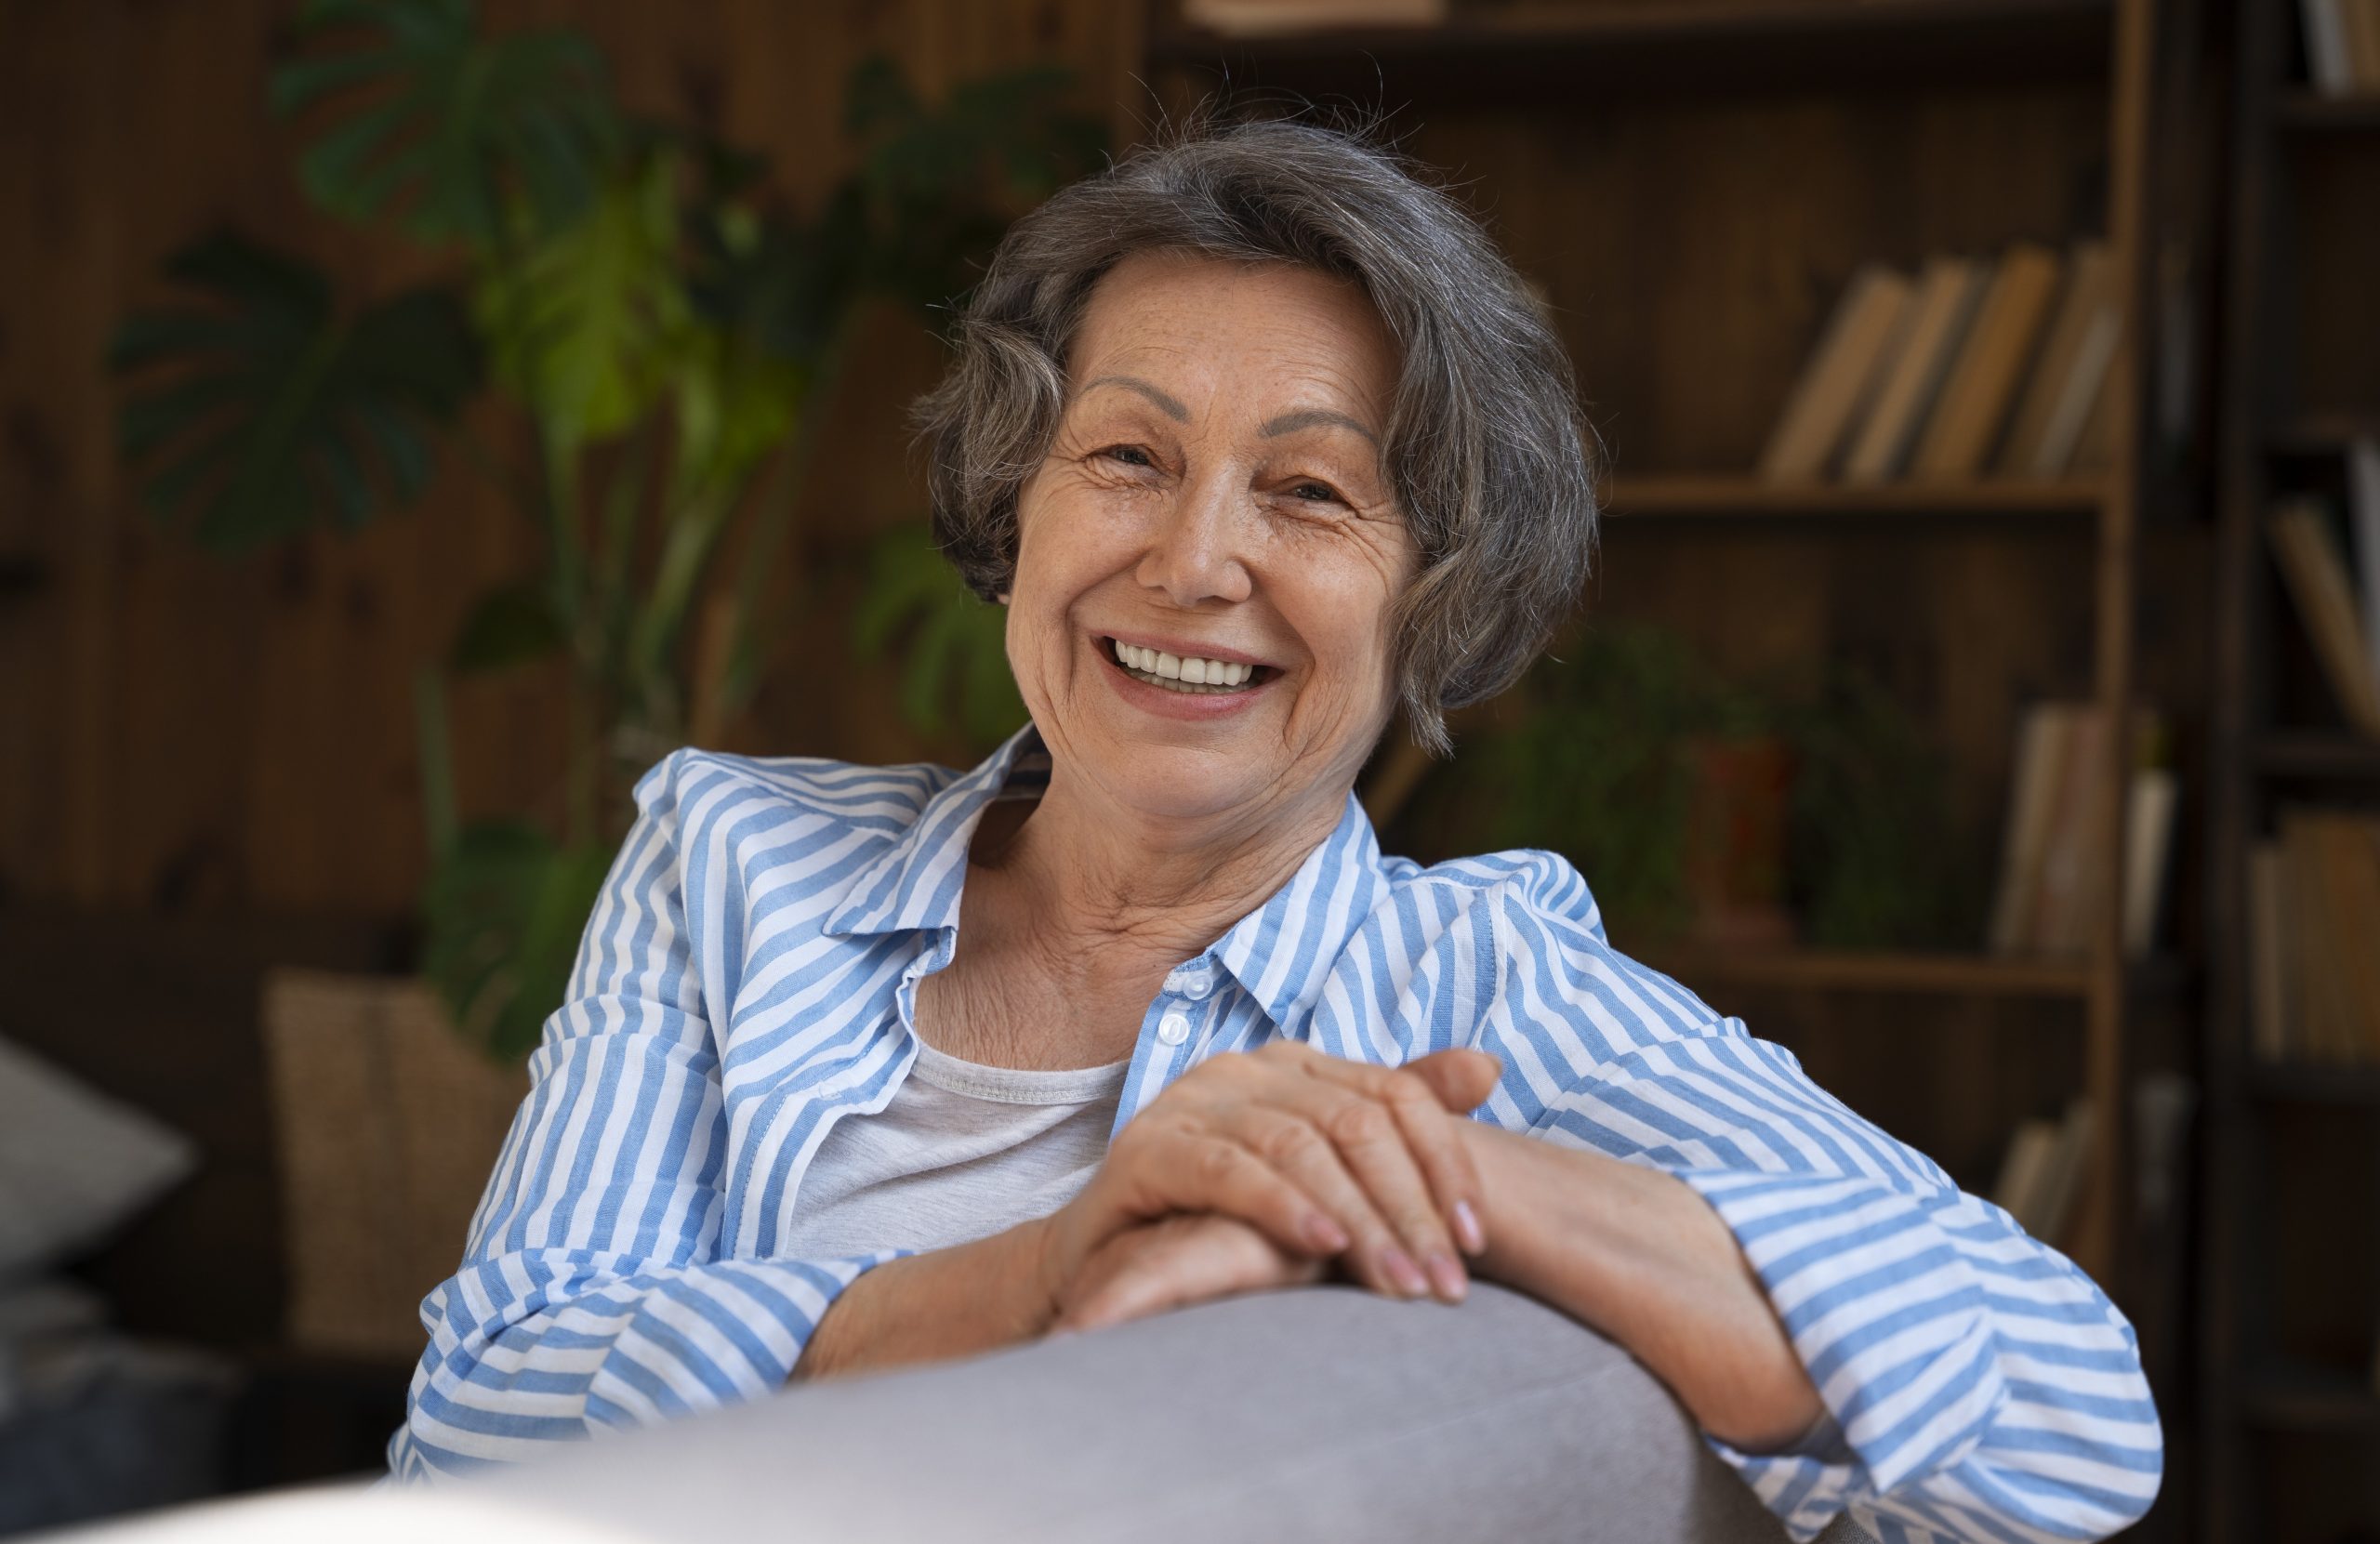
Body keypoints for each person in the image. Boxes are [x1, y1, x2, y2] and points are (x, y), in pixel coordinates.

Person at [389, 118, 2162, 1541]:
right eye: (1127, 458)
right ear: (1018, 504)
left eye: (1310, 490)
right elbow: (476, 1426)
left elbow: (2074, 1411)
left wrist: (1435, 1171)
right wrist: (1046, 1268)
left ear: (1435, 599)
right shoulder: (733, 863)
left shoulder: (1474, 981)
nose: (1193, 562)